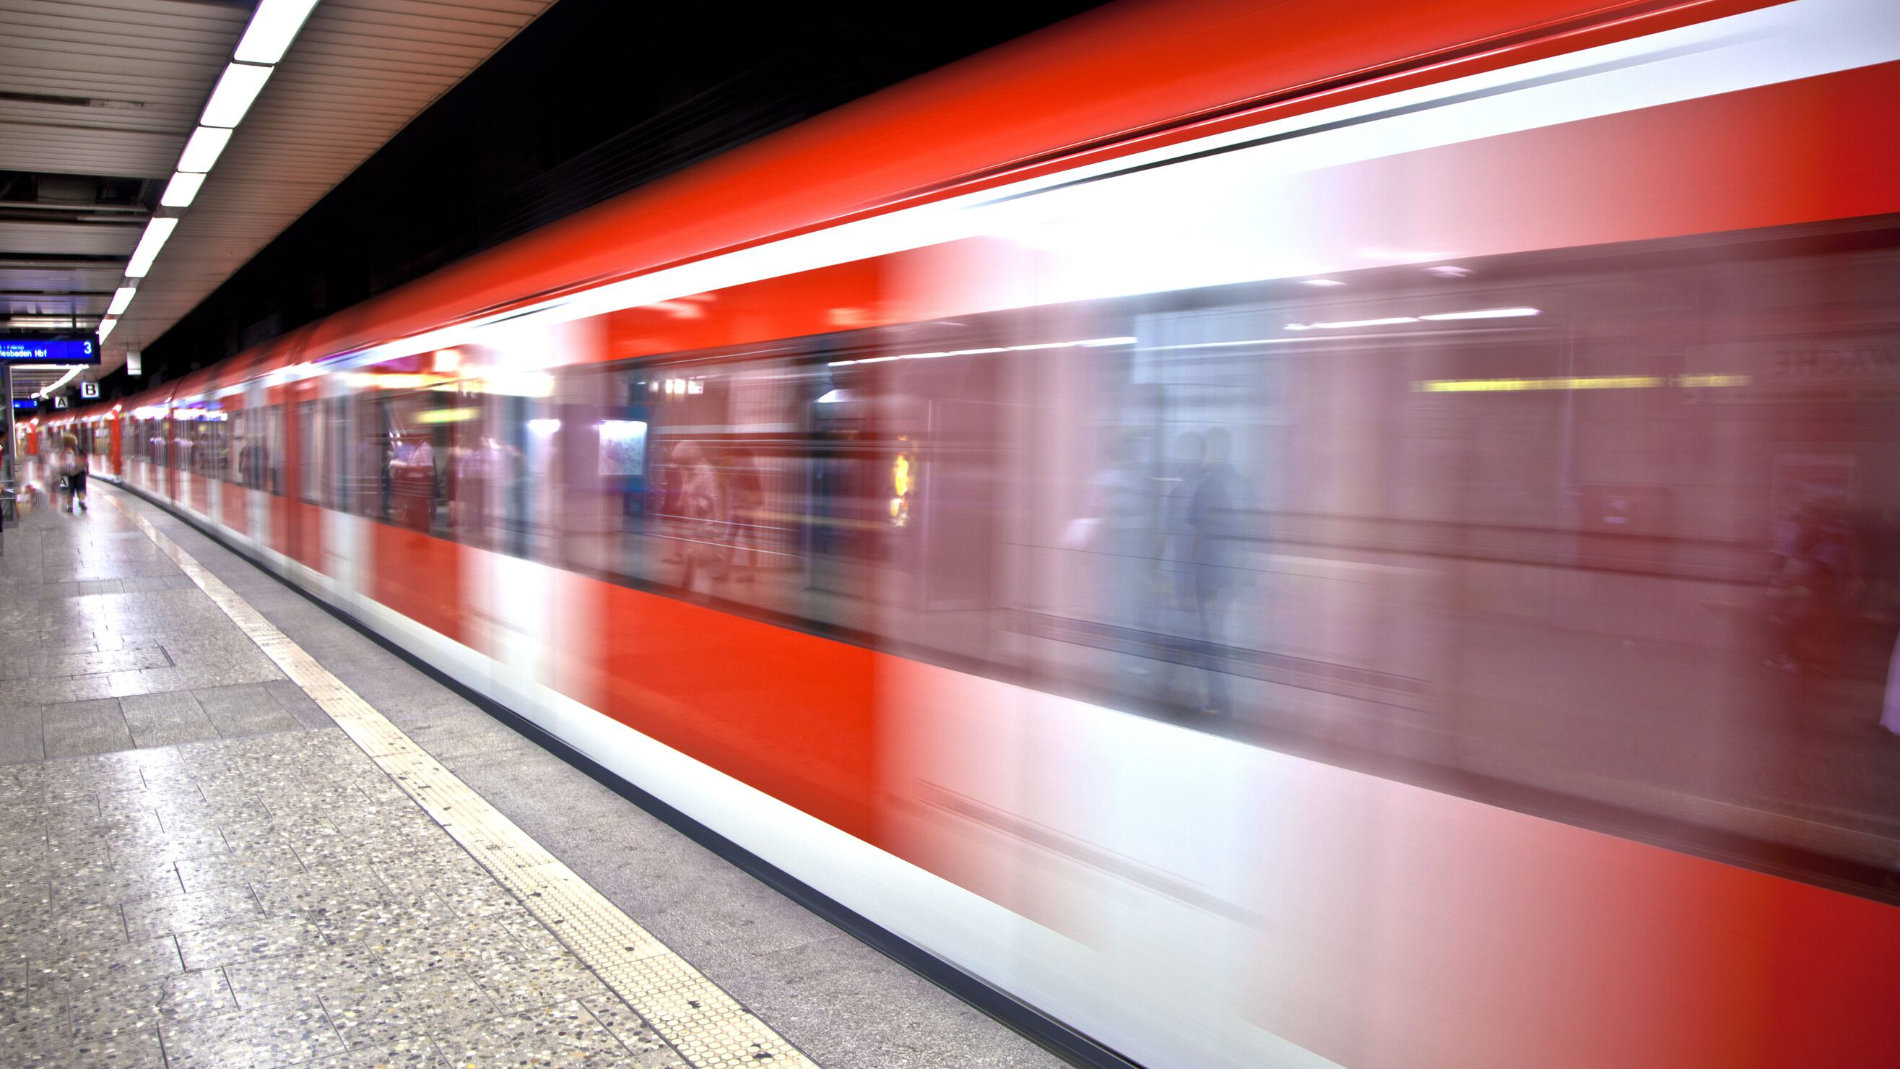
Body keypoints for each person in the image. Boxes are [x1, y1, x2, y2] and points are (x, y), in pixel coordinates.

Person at [56, 432, 87, 513]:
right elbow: (85, 460)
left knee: (67, 489)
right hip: (79, 472)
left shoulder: (60, 450)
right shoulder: (78, 449)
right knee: (81, 487)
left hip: (65, 474)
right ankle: (81, 501)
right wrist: (87, 469)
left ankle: (69, 505)